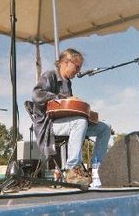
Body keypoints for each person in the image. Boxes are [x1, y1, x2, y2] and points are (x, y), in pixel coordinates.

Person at [32, 48, 111, 185]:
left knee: (105, 127)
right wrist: (62, 97)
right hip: (48, 125)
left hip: (66, 123)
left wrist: (87, 114)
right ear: (65, 62)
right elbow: (37, 95)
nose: (78, 70)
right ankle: (72, 169)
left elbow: (66, 108)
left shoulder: (67, 82)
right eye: (77, 66)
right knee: (79, 122)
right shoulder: (49, 76)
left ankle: (97, 168)